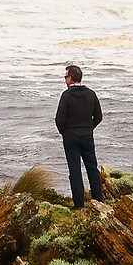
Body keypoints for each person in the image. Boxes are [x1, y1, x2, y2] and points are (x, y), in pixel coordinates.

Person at [54, 64, 106, 209]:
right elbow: (99, 116)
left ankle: (79, 205)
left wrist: (65, 132)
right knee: (92, 168)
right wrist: (89, 128)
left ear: (71, 78)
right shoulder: (91, 94)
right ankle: (99, 202)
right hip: (87, 135)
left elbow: (59, 119)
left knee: (75, 170)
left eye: (65, 77)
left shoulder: (66, 95)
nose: (65, 80)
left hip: (70, 136)